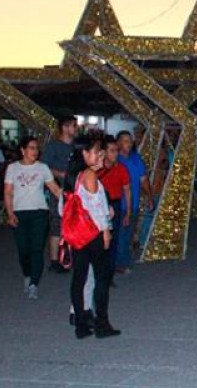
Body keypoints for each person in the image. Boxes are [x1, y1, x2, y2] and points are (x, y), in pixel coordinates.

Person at [63, 137, 120, 339]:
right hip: (94, 234)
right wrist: (105, 229)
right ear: (85, 154)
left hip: (79, 235)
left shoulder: (75, 175)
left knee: (79, 279)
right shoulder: (89, 175)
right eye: (96, 151)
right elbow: (96, 207)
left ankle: (80, 323)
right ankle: (102, 323)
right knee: (101, 280)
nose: (99, 155)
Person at [3, 136, 62, 299]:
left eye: (37, 148)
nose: (35, 151)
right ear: (22, 150)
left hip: (39, 212)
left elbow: (55, 189)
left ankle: (34, 283)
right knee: (23, 249)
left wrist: (68, 204)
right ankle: (27, 275)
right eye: (31, 148)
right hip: (19, 212)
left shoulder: (43, 168)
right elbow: (8, 192)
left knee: (36, 249)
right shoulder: (13, 168)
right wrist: (10, 213)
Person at [42, 116, 77, 273]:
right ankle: (55, 259)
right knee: (56, 223)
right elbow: (44, 167)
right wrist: (60, 174)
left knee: (72, 223)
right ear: (64, 127)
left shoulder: (75, 148)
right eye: (73, 126)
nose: (76, 129)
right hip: (57, 189)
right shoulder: (53, 146)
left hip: (73, 190)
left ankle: (68, 255)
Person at [115, 130, 150, 267]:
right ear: (118, 143)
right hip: (119, 203)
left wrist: (150, 195)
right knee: (120, 235)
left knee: (128, 233)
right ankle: (120, 263)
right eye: (125, 141)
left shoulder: (136, 158)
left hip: (133, 203)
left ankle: (123, 260)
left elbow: (143, 179)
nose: (129, 144)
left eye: (130, 141)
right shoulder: (115, 159)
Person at [98, 136, 131, 275]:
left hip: (115, 205)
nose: (115, 154)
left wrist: (128, 212)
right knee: (99, 239)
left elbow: (127, 191)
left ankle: (109, 272)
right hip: (99, 205)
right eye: (112, 151)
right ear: (104, 152)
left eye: (116, 150)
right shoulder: (96, 169)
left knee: (114, 239)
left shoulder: (121, 169)